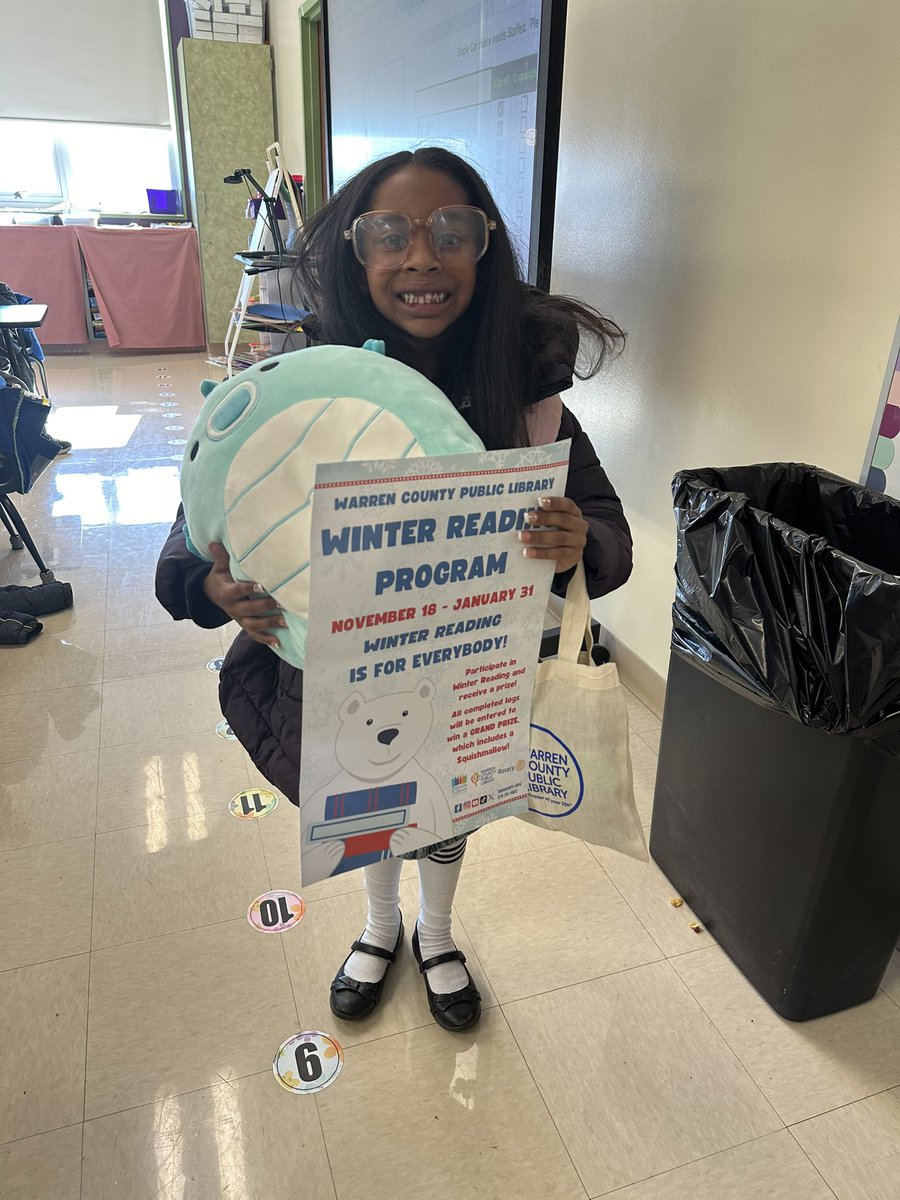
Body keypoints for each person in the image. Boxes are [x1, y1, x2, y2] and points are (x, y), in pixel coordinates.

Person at [156, 146, 632, 1033]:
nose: (421, 257)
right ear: (356, 250)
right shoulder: (308, 380)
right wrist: (209, 584)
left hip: (467, 663)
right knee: (370, 805)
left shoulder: (525, 392)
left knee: (449, 811)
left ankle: (437, 934)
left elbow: (606, 524)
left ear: (485, 248)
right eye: (389, 234)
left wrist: (581, 542)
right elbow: (200, 516)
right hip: (337, 667)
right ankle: (380, 926)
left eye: (451, 232)